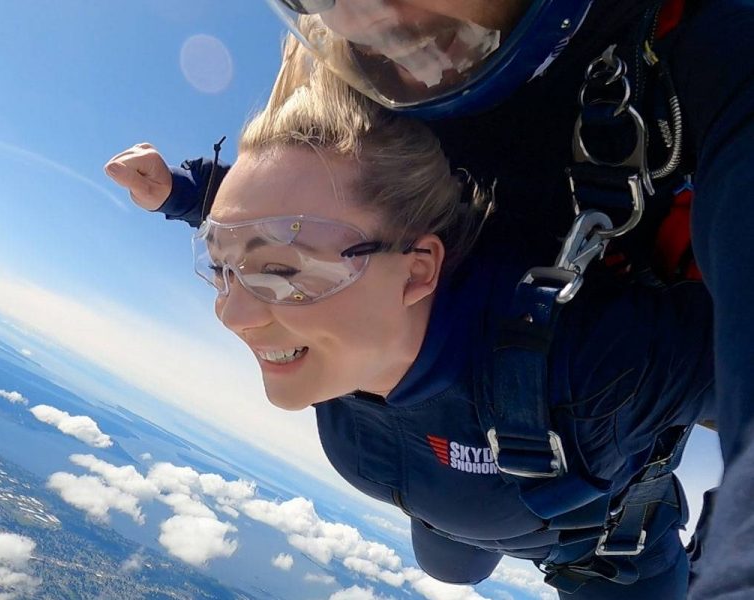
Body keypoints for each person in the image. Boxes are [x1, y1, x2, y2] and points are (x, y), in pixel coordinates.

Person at [109, 1, 754, 596]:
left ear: (419, 273)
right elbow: (311, 221)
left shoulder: (587, 370)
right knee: (450, 560)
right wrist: (187, 197)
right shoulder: (347, 315)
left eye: (280, 274)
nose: (230, 311)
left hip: (603, 549)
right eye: (222, 266)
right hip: (457, 494)